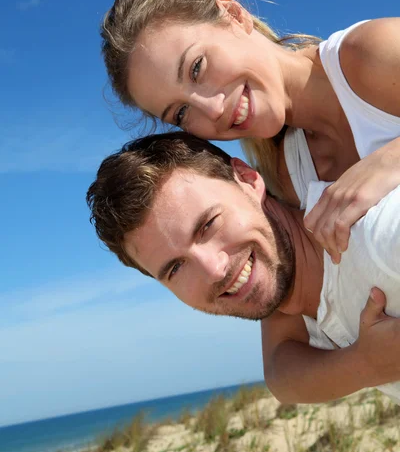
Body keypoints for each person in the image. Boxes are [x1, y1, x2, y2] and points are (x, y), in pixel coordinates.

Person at [101, 0, 400, 265]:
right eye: (181, 113)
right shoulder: (289, 176)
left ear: (233, 14)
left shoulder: (371, 55)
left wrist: (389, 161)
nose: (212, 109)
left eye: (197, 68)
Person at [86, 132, 400, 404]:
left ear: (248, 180)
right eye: (176, 268)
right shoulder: (305, 309)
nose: (214, 269)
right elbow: (282, 377)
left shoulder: (377, 237)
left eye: (208, 225)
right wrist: (363, 364)